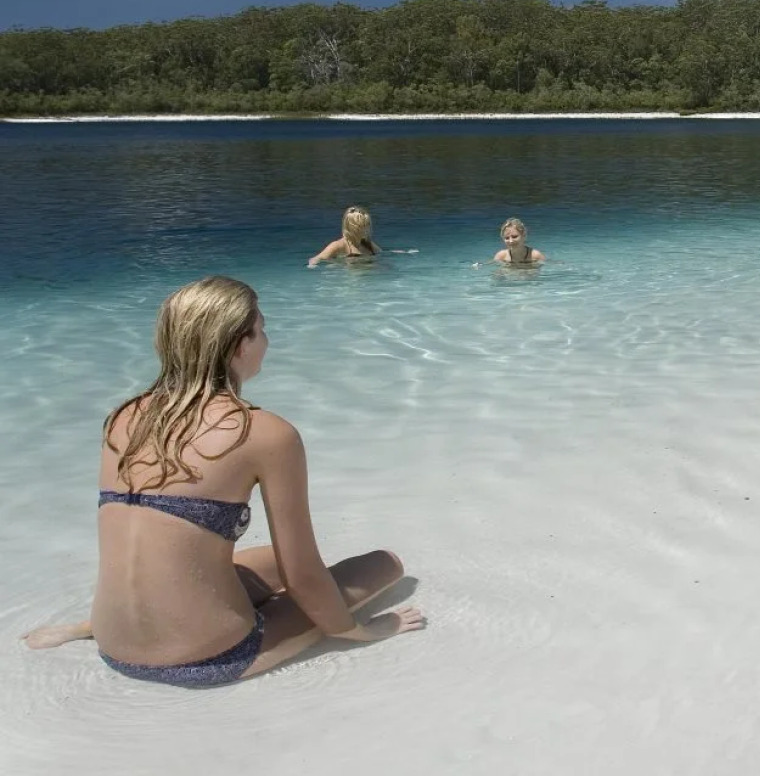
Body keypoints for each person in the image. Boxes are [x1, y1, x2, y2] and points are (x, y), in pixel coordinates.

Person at [21, 276, 424, 685]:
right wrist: (358, 632)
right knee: (381, 565)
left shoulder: (123, 417)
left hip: (114, 643)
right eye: (261, 330)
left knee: (263, 559)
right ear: (238, 346)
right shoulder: (265, 433)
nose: (267, 340)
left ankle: (86, 627)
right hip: (208, 657)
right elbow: (301, 575)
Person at [481, 217, 545, 267]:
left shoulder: (535, 256)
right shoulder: (501, 256)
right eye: (507, 238)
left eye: (514, 236)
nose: (511, 241)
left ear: (524, 236)